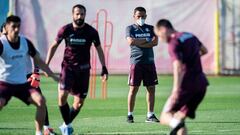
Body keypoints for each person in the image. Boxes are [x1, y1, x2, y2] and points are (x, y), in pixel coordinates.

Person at [45, 4, 108, 135]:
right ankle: (67, 126)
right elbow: (53, 46)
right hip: (68, 68)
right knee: (62, 96)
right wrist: (46, 65)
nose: (79, 16)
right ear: (73, 15)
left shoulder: (91, 32)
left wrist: (104, 67)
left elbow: (99, 49)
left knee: (79, 103)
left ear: (85, 15)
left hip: (84, 70)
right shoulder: (65, 30)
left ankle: (65, 125)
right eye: (77, 14)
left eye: (82, 14)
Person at [0, 15, 58, 135]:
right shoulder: (2, 44)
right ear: (6, 28)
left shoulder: (25, 42)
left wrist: (50, 74)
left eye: (18, 27)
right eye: (13, 27)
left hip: (23, 82)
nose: (16, 29)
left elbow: (38, 59)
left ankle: (40, 132)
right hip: (5, 83)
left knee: (41, 101)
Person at [154, 19, 209, 135]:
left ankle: (177, 125)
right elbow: (204, 51)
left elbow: (178, 67)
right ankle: (178, 125)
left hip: (187, 85)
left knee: (165, 117)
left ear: (163, 29)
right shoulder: (189, 35)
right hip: (202, 84)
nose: (160, 38)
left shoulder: (173, 42)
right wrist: (191, 59)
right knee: (179, 117)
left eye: (159, 34)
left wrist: (175, 90)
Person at [125, 6, 159, 123]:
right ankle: (130, 115)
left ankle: (150, 115)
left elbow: (155, 42)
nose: (141, 18)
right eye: (138, 16)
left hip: (149, 62)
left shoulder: (151, 28)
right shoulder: (130, 28)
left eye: (143, 16)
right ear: (134, 16)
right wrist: (147, 41)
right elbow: (131, 42)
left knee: (151, 88)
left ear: (146, 16)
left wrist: (140, 43)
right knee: (133, 88)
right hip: (136, 62)